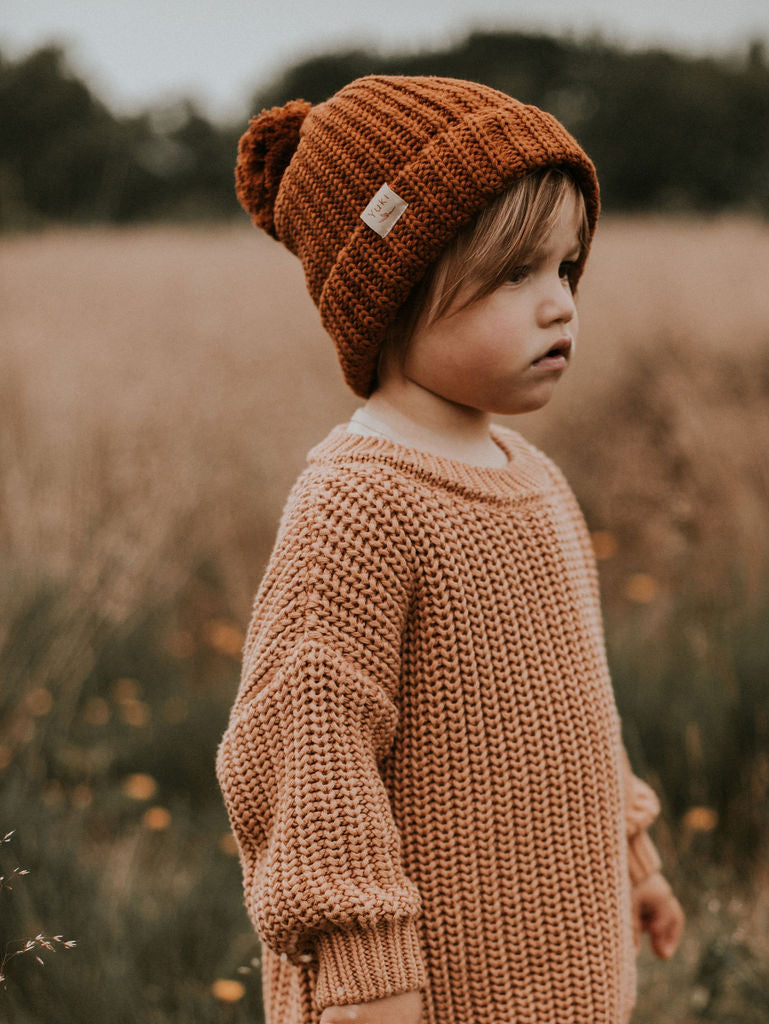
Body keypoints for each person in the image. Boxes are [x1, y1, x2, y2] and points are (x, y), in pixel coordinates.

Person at [216, 74, 684, 1024]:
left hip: (566, 969)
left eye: (565, 268)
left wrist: (635, 858)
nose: (559, 305)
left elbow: (581, 711)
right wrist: (367, 978)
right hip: (420, 992)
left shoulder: (534, 475)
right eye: (515, 274)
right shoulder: (356, 505)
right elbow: (309, 764)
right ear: (391, 289)